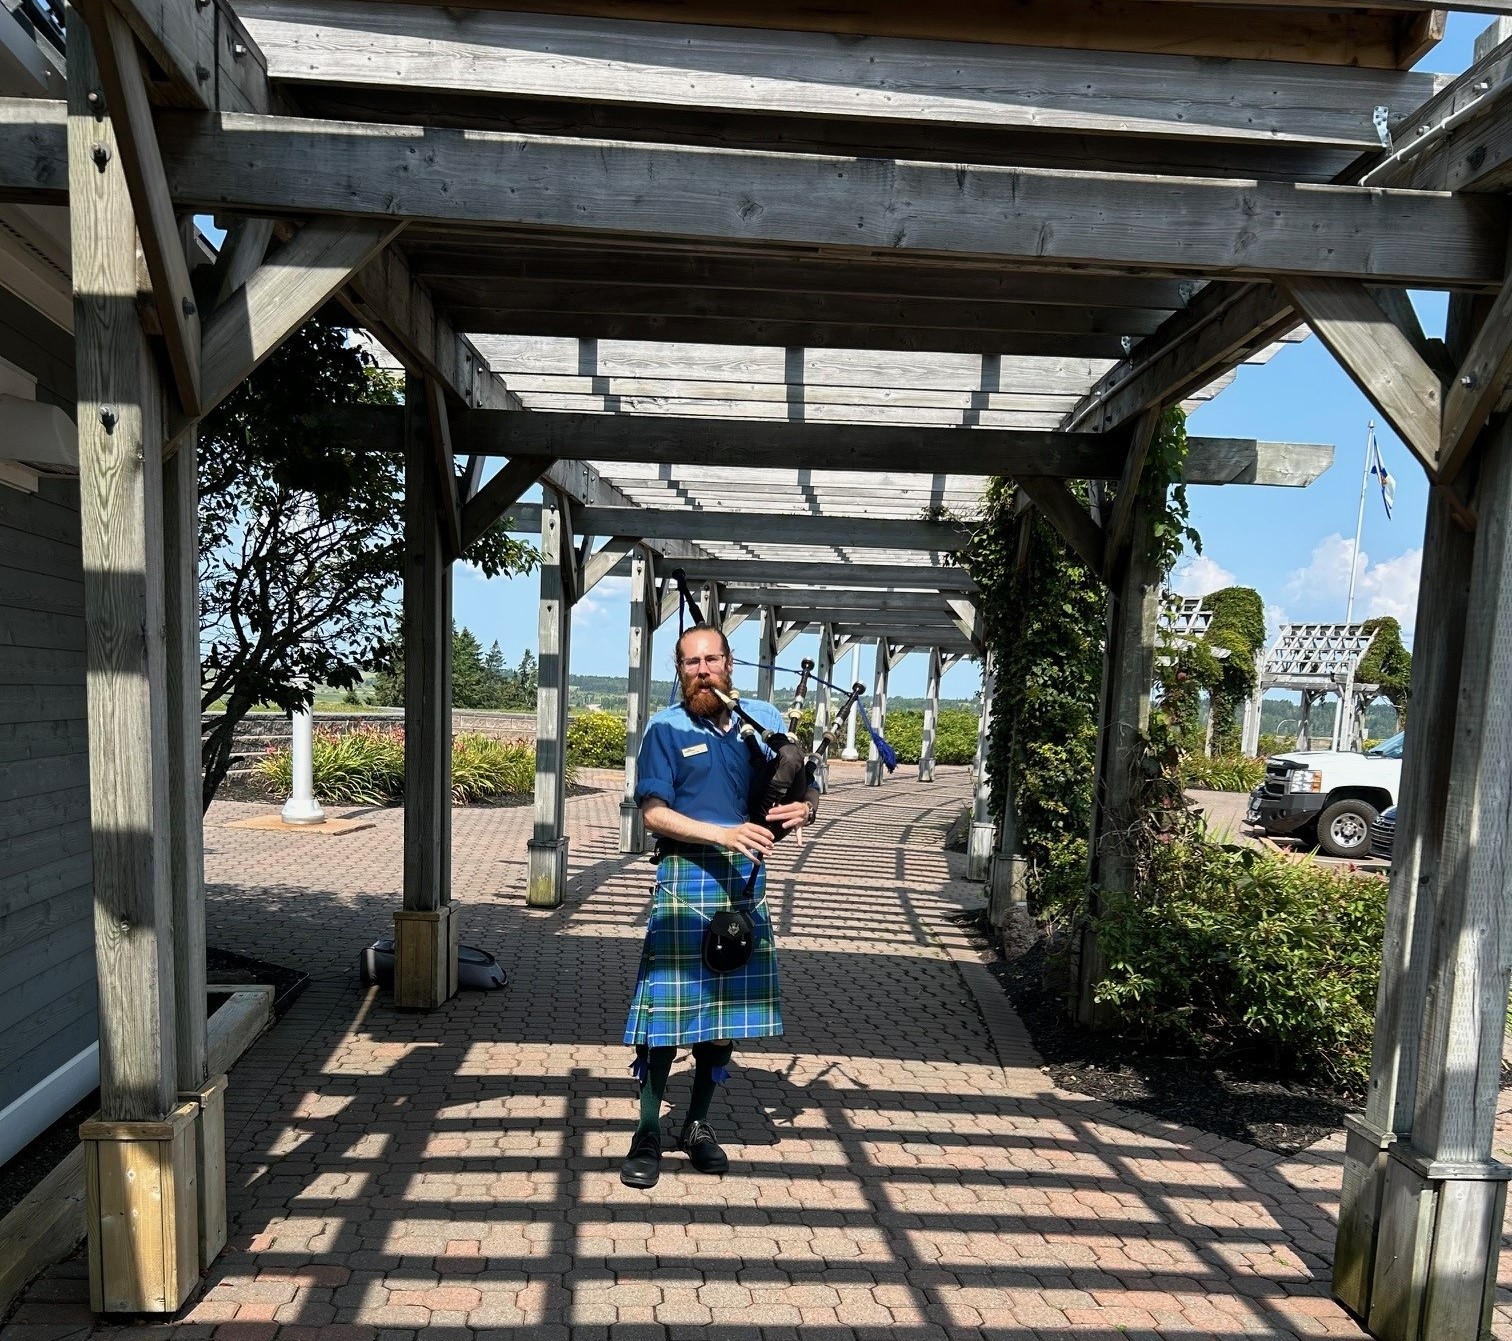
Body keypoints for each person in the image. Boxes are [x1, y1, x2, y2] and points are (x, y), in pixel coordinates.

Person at [620, 623, 818, 1188]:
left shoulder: (764, 722)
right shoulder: (666, 727)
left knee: (722, 1017)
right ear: (678, 671)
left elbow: (805, 782)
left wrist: (806, 809)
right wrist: (722, 833)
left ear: (730, 663)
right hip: (686, 876)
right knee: (666, 1018)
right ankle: (648, 1131)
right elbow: (653, 813)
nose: (702, 670)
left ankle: (698, 1124)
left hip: (744, 884)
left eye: (711, 660)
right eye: (690, 663)